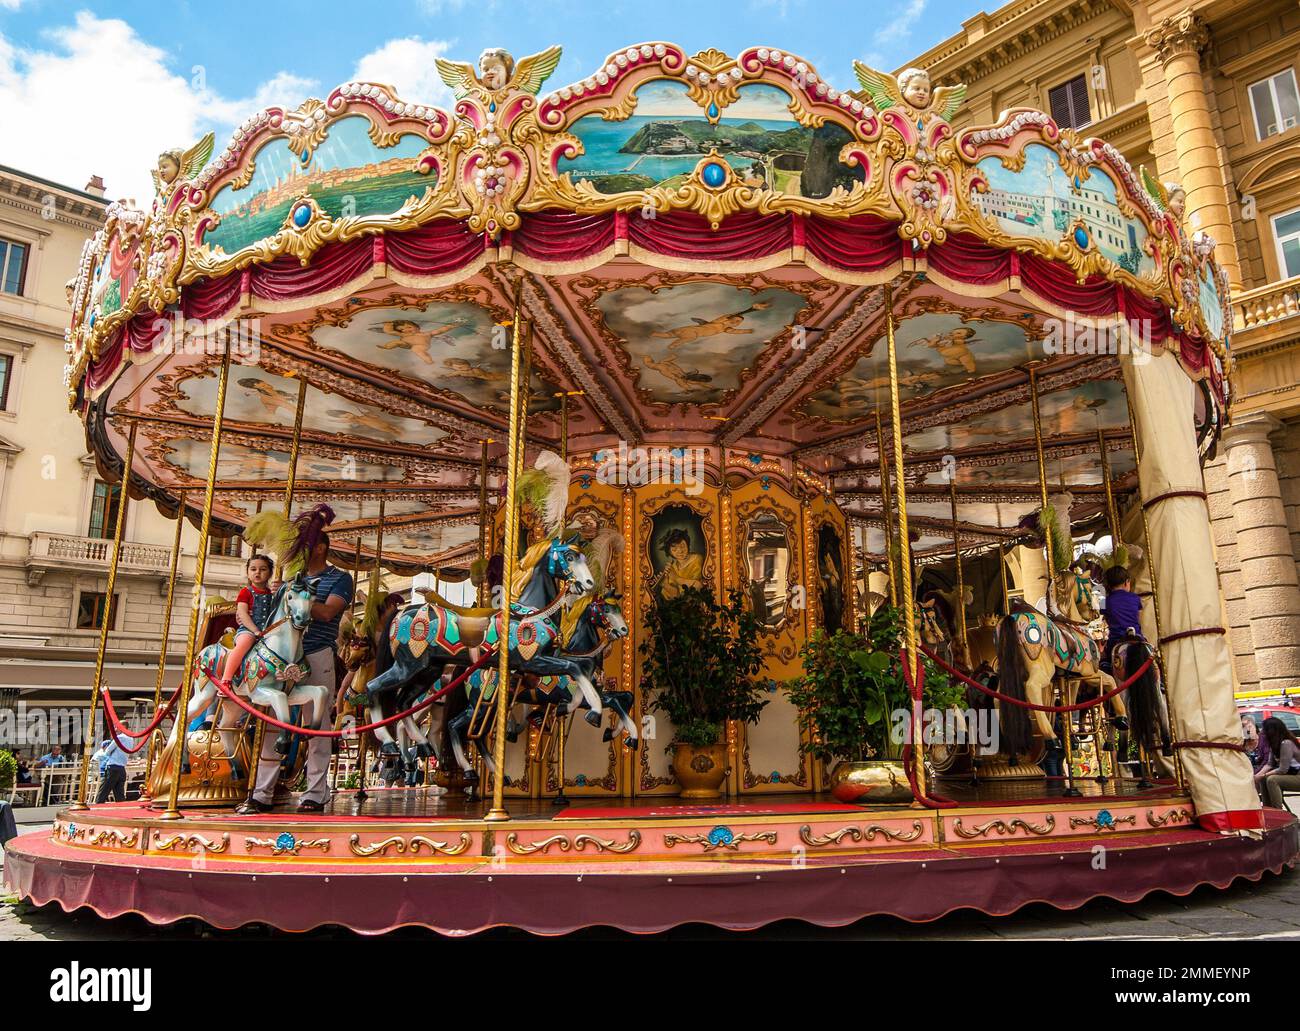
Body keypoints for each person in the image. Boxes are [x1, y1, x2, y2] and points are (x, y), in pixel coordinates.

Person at [241, 525, 352, 814]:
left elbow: (328, 612)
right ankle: (262, 792)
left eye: (303, 545)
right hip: (280, 657)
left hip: (315, 653)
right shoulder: (292, 580)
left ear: (320, 548)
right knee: (271, 722)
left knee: (316, 724)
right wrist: (282, 594)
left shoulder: (339, 578)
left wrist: (298, 600)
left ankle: (315, 792)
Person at [215, 554, 277, 692]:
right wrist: (255, 631)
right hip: (248, 630)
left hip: (267, 632)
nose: (257, 572)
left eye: (263, 569)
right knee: (244, 643)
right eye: (253, 569)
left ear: (270, 573)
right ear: (248, 573)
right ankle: (226, 680)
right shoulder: (246, 592)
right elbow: (242, 613)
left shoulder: (272, 595)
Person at [1100, 565, 1143, 673]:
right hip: (1138, 638)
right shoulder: (1135, 598)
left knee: (1104, 662)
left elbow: (1103, 621)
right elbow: (1139, 619)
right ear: (1126, 582)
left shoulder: (1105, 601)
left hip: (1115, 641)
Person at [1255, 717, 1300, 808]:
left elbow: (1282, 770)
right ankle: (1268, 809)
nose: (1262, 732)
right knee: (1263, 779)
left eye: (1264, 730)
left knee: (1272, 780)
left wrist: (1263, 775)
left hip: (1297, 775)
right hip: (1292, 774)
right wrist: (1257, 776)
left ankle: (1277, 810)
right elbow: (1269, 764)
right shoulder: (1274, 744)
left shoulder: (1286, 743)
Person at [93, 731, 137, 803]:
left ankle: (97, 806)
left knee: (103, 791)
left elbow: (107, 751)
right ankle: (121, 808)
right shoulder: (131, 739)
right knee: (120, 795)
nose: (115, 730)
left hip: (112, 767)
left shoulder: (119, 737)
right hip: (122, 768)